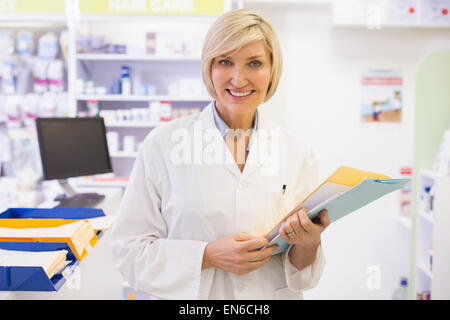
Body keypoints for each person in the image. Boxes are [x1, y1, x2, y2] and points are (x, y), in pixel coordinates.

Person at [109, 9, 330, 300]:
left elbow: (302, 275)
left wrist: (309, 243)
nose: (239, 79)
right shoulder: (162, 145)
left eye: (254, 63)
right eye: (225, 62)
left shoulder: (296, 152)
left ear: (272, 70)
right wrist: (207, 256)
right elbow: (129, 251)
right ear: (209, 68)